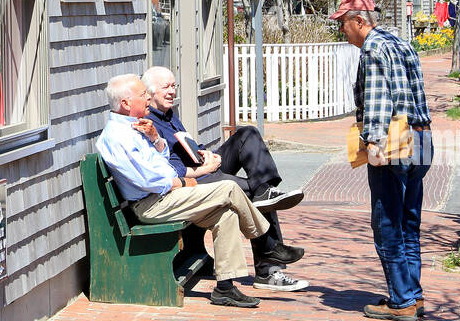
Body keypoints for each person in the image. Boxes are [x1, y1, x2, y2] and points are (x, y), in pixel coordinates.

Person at [96, 75, 307, 307]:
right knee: (229, 188)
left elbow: (162, 163)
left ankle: (225, 288)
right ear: (126, 103)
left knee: (226, 215)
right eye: (142, 94)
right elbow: (148, 180)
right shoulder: (118, 137)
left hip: (165, 196)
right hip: (153, 203)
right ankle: (268, 246)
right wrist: (183, 182)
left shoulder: (137, 126)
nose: (147, 97)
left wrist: (156, 139)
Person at [142, 66, 307, 289]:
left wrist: (207, 154)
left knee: (247, 134)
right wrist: (203, 170)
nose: (172, 91)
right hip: (192, 180)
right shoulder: (148, 124)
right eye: (166, 87)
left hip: (203, 167)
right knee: (252, 193)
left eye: (174, 86)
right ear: (150, 92)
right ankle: (268, 268)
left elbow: (187, 144)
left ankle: (263, 192)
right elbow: (166, 170)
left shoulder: (169, 114)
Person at [332, 0, 433, 321]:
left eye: (342, 23)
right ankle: (413, 294)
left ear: (359, 21)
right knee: (408, 222)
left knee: (387, 223)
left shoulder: (373, 48)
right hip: (422, 139)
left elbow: (377, 100)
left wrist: (373, 144)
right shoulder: (401, 42)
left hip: (394, 142)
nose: (341, 31)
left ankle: (402, 300)